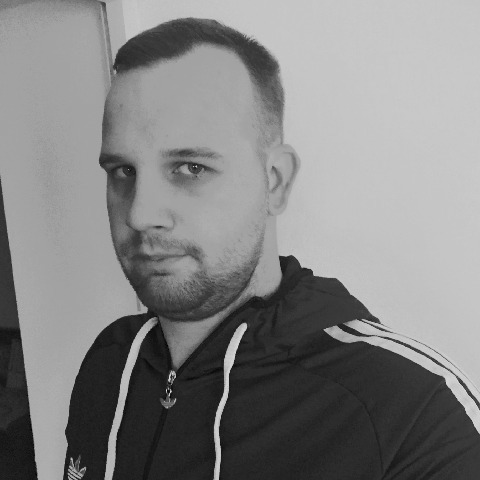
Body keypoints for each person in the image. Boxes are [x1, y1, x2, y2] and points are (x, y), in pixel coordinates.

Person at [64, 17, 480, 480]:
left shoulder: (416, 414)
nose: (140, 214)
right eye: (122, 171)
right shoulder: (110, 361)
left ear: (275, 181)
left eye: (191, 168)